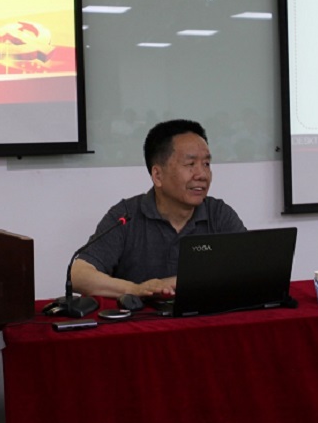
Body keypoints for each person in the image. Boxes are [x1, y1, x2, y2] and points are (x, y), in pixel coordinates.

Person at [71, 119, 246, 299]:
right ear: (158, 175)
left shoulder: (218, 214)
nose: (202, 174)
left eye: (206, 164)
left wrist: (170, 283)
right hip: (142, 316)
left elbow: (251, 269)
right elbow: (78, 275)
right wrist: (136, 289)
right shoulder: (126, 215)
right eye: (190, 164)